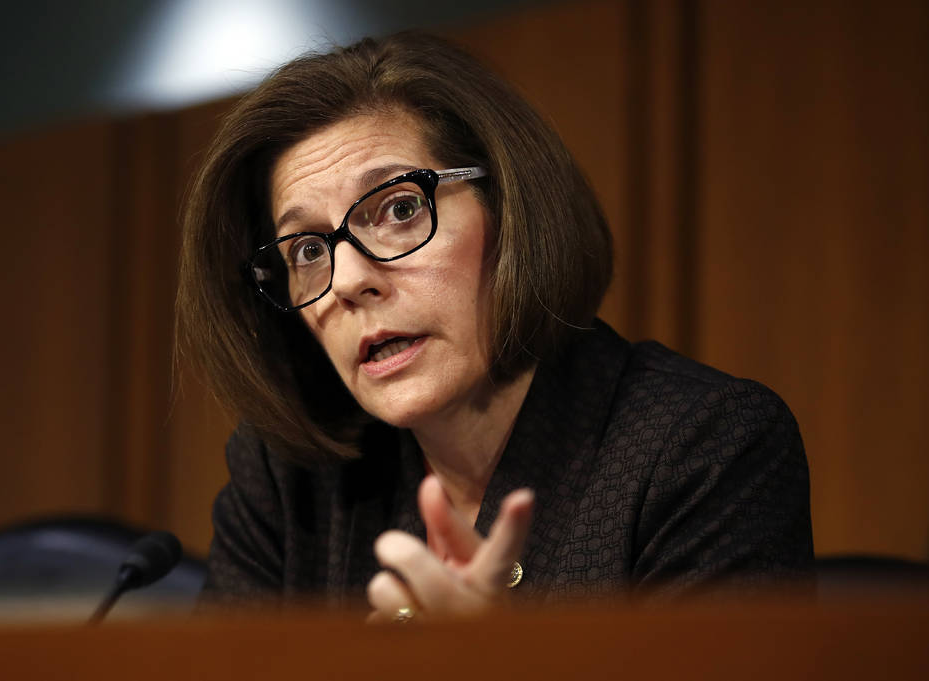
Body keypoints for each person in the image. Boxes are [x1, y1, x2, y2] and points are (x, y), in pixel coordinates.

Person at [176, 32, 814, 621]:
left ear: (509, 213)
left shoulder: (704, 450)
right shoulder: (288, 478)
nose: (346, 281)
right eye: (308, 250)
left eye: (398, 209)